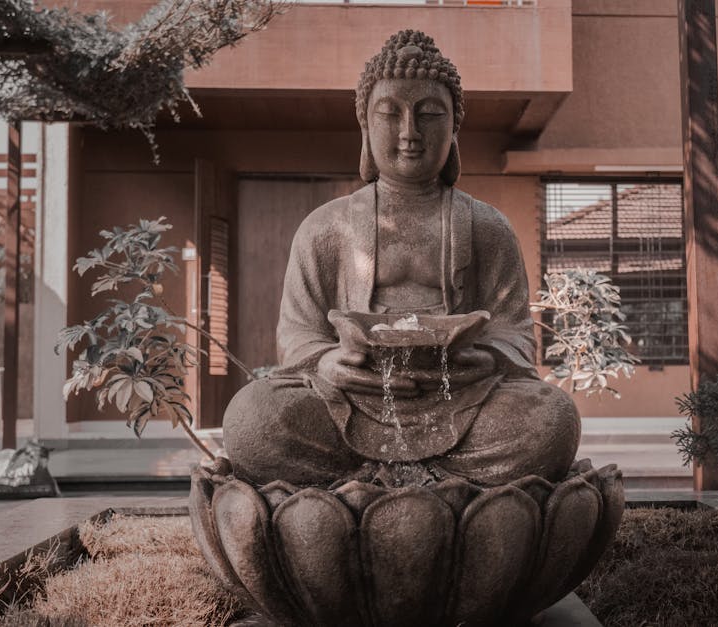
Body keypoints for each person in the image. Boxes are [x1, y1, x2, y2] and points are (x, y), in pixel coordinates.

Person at [223, 30, 580, 487]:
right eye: (390, 114)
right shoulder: (325, 227)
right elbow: (298, 333)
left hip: (460, 397)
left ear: (453, 129)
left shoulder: (487, 227)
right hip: (352, 398)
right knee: (252, 418)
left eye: (429, 115)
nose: (410, 132)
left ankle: (362, 490)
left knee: (552, 419)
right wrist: (327, 362)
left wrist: (489, 359)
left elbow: (514, 332)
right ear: (365, 127)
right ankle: (447, 490)